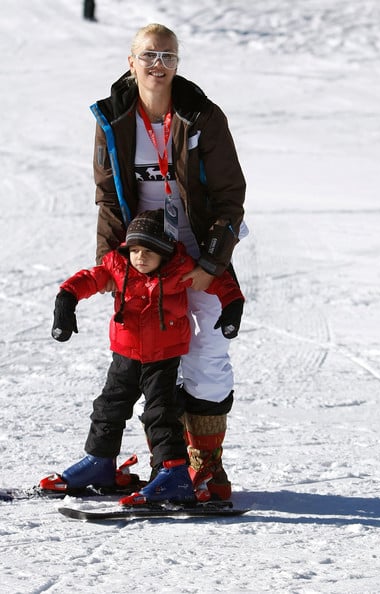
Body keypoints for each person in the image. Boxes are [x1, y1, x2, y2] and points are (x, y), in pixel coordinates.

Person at [89, 23, 246, 500]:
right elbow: (109, 201)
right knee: (147, 350)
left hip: (197, 244)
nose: (159, 65)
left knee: (207, 351)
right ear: (131, 61)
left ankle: (207, 465)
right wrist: (111, 266)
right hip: (144, 252)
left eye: (169, 57)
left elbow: (229, 197)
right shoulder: (112, 119)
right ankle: (167, 462)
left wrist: (213, 263)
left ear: (178, 64)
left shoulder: (202, 116)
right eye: (149, 55)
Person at [40, 209, 244, 505]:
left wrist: (232, 304)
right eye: (134, 250)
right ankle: (100, 462)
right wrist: (66, 299)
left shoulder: (180, 271)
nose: (139, 257)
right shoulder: (118, 267)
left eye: (148, 251)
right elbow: (89, 279)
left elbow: (219, 281)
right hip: (125, 353)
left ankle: (173, 474)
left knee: (160, 413)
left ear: (165, 253)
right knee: (108, 407)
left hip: (163, 357)